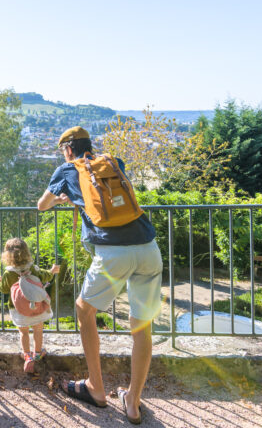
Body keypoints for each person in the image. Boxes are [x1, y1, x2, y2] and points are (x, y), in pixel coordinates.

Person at [37, 127, 162, 425]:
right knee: (141, 323)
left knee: (84, 309)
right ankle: (133, 401)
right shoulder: (113, 162)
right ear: (89, 146)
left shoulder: (67, 169)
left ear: (68, 149)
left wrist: (62, 200)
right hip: (148, 246)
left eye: (63, 151)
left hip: (112, 251)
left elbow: (42, 205)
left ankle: (96, 386)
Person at [0, 237, 60, 373]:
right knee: (38, 329)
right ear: (26, 252)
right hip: (36, 305)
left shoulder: (8, 273)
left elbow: (3, 289)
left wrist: (0, 282)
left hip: (18, 309)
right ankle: (37, 353)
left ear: (7, 255)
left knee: (23, 332)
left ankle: (27, 355)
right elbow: (45, 276)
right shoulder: (32, 268)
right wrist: (52, 271)